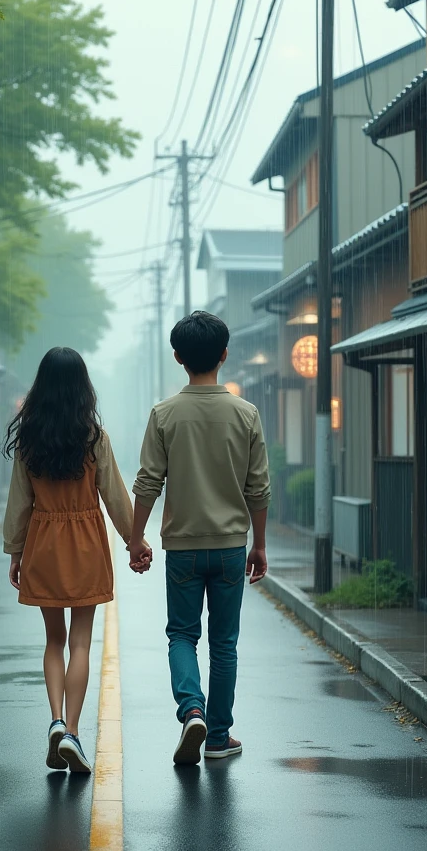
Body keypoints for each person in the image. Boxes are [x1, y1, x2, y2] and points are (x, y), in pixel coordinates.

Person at [128, 311, 270, 765]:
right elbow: (259, 488)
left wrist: (136, 540)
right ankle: (218, 736)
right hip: (230, 547)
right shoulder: (245, 414)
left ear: (178, 357)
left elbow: (148, 482)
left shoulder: (164, 414)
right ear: (224, 356)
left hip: (183, 549)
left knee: (182, 636)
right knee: (224, 643)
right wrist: (259, 545)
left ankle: (192, 710)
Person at [2, 347, 135, 775]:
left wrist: (16, 552)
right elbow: (114, 495)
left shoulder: (29, 439)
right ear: (82, 388)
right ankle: (73, 731)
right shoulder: (94, 439)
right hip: (85, 544)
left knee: (53, 641)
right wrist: (136, 541)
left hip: (43, 541)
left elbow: (19, 503)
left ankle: (56, 721)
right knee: (81, 641)